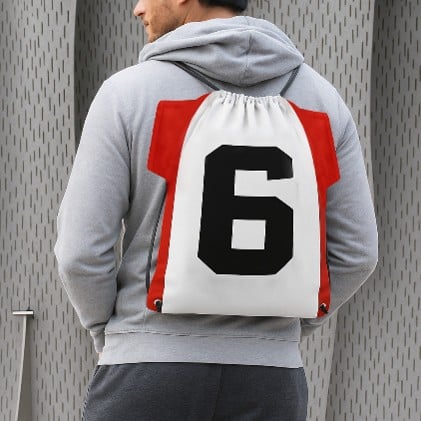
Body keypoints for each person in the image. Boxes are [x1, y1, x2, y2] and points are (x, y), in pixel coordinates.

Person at [54, 0, 378, 420]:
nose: (137, 8)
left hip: (146, 373)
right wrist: (286, 330)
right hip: (272, 385)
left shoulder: (127, 94)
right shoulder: (323, 101)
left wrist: (113, 335)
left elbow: (80, 253)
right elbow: (357, 253)